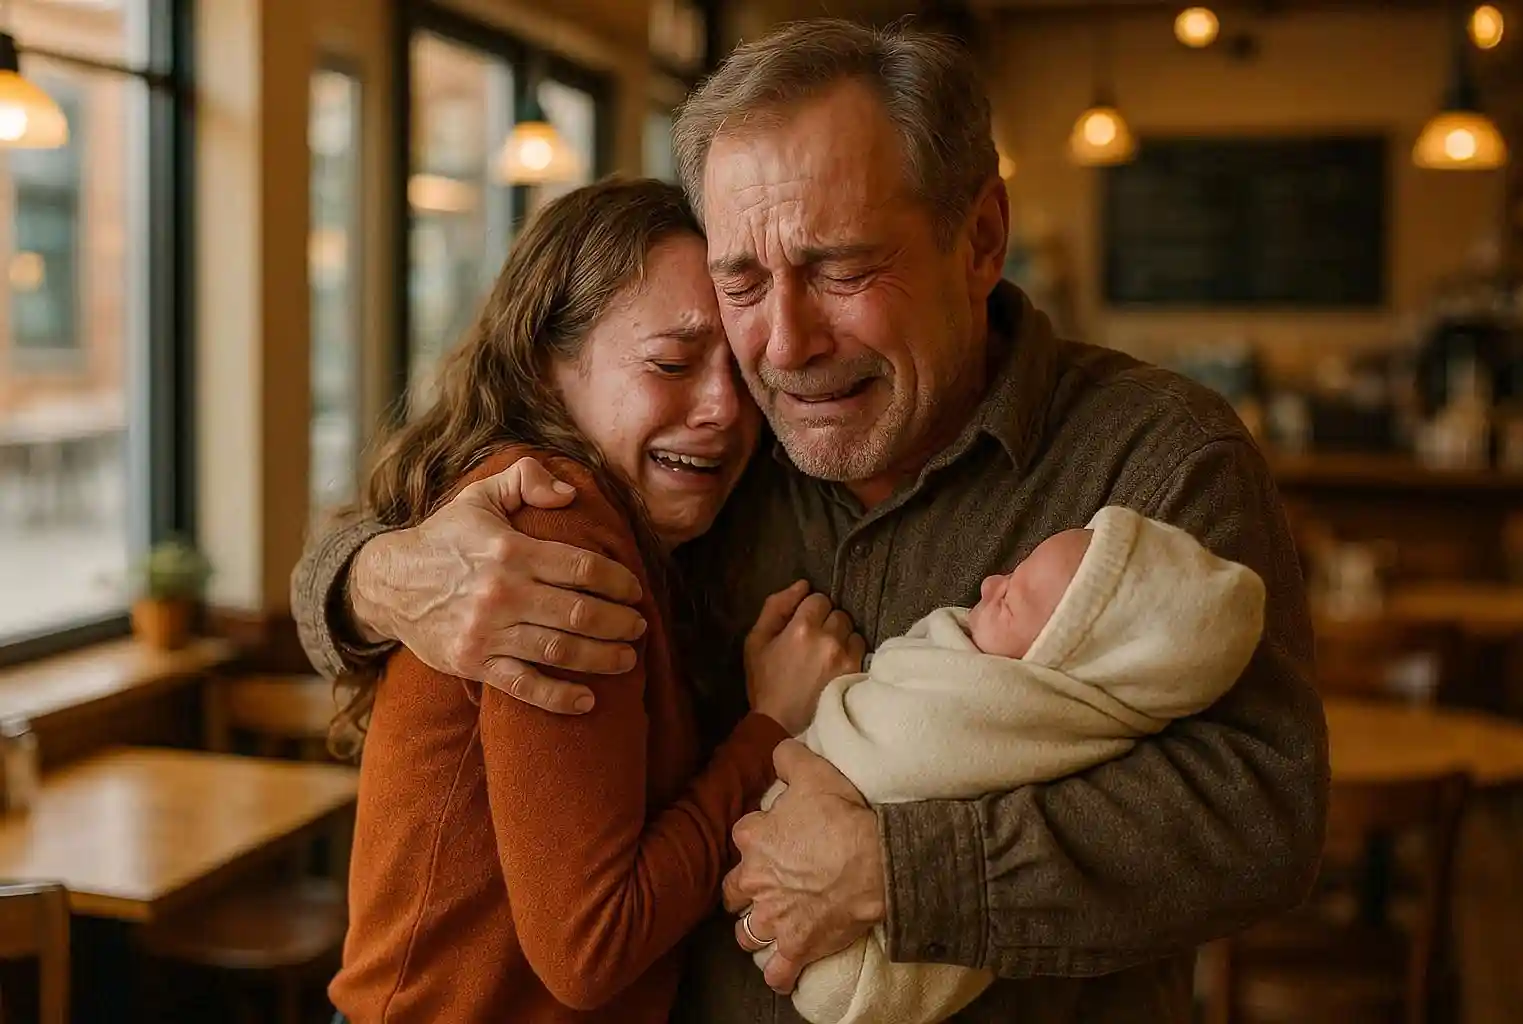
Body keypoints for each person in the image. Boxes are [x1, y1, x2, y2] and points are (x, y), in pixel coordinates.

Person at [294, 19, 1329, 1023]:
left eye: (840, 267)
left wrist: (901, 872)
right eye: (743, 280)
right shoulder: (711, 461)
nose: (783, 346)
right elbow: (381, 559)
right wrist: (372, 574)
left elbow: (1262, 814)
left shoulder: (1159, 456)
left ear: (980, 239)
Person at [325, 178, 865, 1024]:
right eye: (672, 363)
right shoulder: (555, 522)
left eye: (741, 370)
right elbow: (591, 946)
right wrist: (769, 731)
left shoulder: (638, 517)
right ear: (547, 364)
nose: (724, 409)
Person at [752, 506, 1267, 1024]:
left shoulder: (1018, 713)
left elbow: (902, 743)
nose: (990, 581)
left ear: (1058, 666)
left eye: (1010, 602)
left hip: (855, 970)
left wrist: (887, 860)